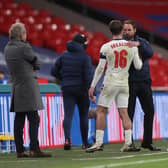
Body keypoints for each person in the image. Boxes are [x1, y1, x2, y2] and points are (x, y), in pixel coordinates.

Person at [86, 20, 142, 153]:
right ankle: (128, 143)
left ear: (110, 31)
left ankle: (98, 143)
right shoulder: (132, 45)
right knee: (124, 113)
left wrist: (92, 86)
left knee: (100, 111)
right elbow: (139, 66)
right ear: (122, 30)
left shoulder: (106, 47)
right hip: (124, 82)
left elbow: (100, 68)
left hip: (110, 82)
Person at [4, 22, 51, 158]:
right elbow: (37, 62)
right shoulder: (24, 47)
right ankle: (34, 148)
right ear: (21, 34)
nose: (26, 35)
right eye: (25, 33)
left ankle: (20, 150)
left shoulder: (7, 48)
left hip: (17, 86)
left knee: (19, 120)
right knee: (34, 119)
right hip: (28, 87)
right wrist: (32, 66)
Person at [123, 20, 161, 151]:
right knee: (129, 113)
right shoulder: (121, 44)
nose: (126, 32)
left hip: (144, 82)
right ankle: (129, 142)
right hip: (129, 83)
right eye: (125, 30)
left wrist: (137, 44)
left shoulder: (142, 41)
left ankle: (147, 141)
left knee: (149, 111)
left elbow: (150, 53)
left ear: (134, 30)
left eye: (129, 30)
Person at [51, 33, 93, 150]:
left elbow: (53, 71)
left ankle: (67, 139)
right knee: (83, 115)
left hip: (67, 88)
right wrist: (89, 89)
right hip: (81, 89)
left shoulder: (63, 55)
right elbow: (88, 77)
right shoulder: (85, 57)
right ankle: (85, 143)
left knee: (68, 114)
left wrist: (63, 79)